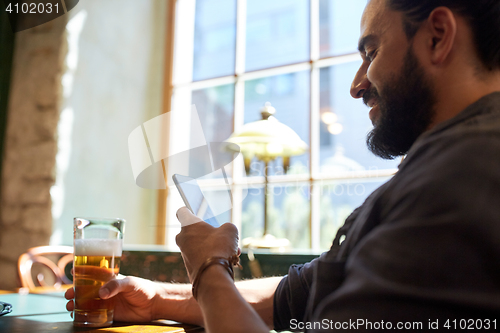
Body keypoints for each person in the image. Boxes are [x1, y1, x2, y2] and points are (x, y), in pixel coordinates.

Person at [66, 0, 500, 331]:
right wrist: (157, 298)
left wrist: (208, 269)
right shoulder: (437, 165)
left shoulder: (462, 175)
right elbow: (299, 295)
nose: (356, 85)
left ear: (438, 36)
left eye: (371, 51)